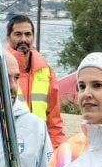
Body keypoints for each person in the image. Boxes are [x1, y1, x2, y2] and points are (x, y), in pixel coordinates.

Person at [6, 14, 67, 147]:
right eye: (18, 34)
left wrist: (58, 152)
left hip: (40, 147)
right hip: (11, 149)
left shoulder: (46, 71)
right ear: (8, 37)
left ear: (33, 37)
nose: (23, 39)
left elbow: (54, 120)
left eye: (28, 34)